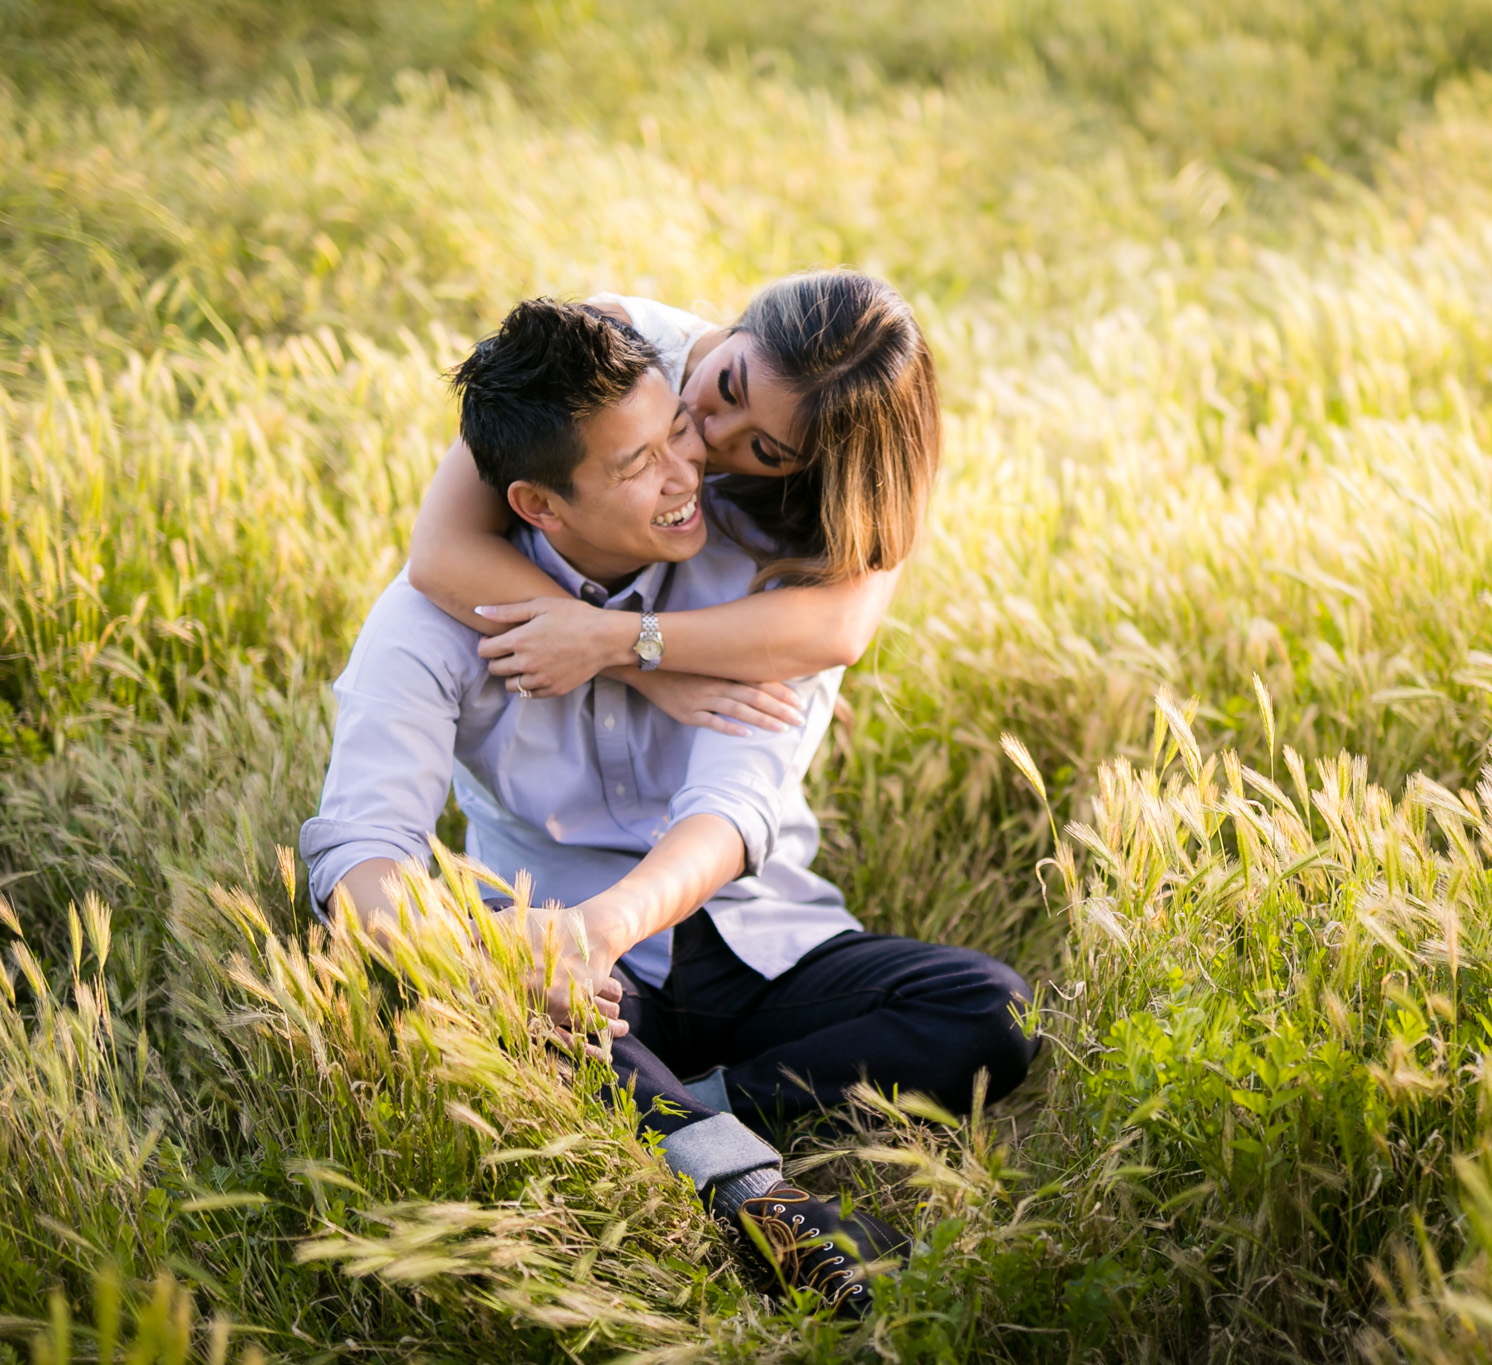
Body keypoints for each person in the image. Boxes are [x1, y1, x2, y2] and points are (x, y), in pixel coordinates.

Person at [300, 296, 1036, 1317]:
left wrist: (607, 917)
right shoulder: (428, 624)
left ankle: (687, 1116)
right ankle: (759, 1193)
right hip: (565, 960)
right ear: (540, 503)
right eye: (644, 457)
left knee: (992, 1011)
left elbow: (735, 807)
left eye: (702, 439)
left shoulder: (758, 576)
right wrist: (460, 958)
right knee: (480, 992)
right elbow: (363, 841)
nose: (695, 467)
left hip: (746, 937)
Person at [403, 272, 936, 719]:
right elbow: (441, 553)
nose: (714, 434)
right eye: (728, 387)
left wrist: (618, 641)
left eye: (765, 449)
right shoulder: (604, 347)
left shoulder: (849, 474)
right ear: (737, 327)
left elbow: (836, 629)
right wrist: (644, 669)